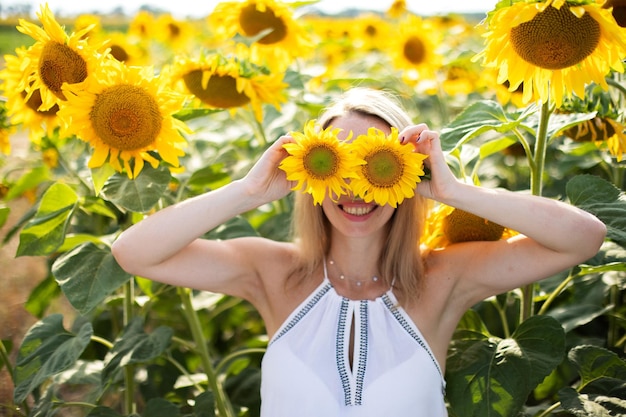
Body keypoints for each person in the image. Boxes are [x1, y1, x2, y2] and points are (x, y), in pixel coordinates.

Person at [111, 87, 607, 416]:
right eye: (336, 166)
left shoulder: (442, 279)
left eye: (377, 164)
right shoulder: (274, 273)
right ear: (312, 174)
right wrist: (248, 192)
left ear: (408, 174)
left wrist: (452, 191)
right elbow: (135, 254)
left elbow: (584, 237)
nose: (357, 189)